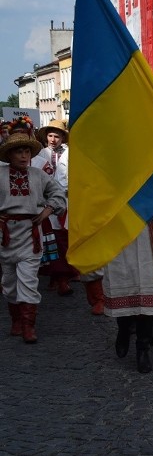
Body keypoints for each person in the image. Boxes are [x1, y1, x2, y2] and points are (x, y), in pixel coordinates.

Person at [103, 167, 153, 374]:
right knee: (122, 279)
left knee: (149, 286)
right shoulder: (112, 161)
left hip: (149, 223)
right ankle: (123, 329)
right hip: (119, 225)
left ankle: (143, 348)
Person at [0, 133, 66, 343]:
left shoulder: (38, 175)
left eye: (27, 151)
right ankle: (16, 320)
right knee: (9, 283)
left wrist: (48, 210)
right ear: (9, 155)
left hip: (31, 235)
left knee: (28, 281)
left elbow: (58, 193)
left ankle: (29, 326)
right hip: (5, 236)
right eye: (19, 151)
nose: (23, 155)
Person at [31, 119, 75, 297]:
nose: (53, 139)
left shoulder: (69, 153)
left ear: (63, 137)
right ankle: (56, 275)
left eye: (57, 136)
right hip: (46, 201)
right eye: (50, 135)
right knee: (51, 238)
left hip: (67, 198)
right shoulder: (40, 155)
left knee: (65, 236)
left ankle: (66, 274)